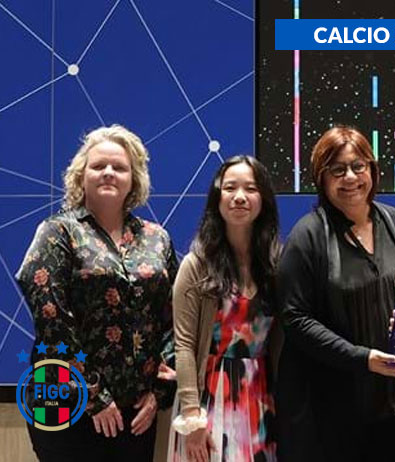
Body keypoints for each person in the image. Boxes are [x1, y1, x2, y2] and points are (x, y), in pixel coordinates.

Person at [16, 125, 177, 461]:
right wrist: (94, 395)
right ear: (81, 175)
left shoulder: (156, 238)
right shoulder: (57, 232)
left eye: (119, 167)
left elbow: (175, 318)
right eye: (98, 165)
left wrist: (159, 392)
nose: (108, 172)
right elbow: (50, 318)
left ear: (134, 179)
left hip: (135, 409)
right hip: (64, 401)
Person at [276, 126, 395, 462]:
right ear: (321, 179)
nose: (350, 177)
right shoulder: (307, 236)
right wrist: (361, 358)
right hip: (334, 412)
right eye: (337, 170)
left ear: (372, 170)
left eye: (358, 166)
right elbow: (295, 319)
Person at [169, 156, 281, 462]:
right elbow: (184, 345)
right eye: (230, 188)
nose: (240, 197)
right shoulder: (196, 265)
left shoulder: (275, 265)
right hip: (208, 399)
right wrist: (192, 417)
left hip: (260, 396)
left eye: (251, 189)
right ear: (217, 198)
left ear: (264, 199)